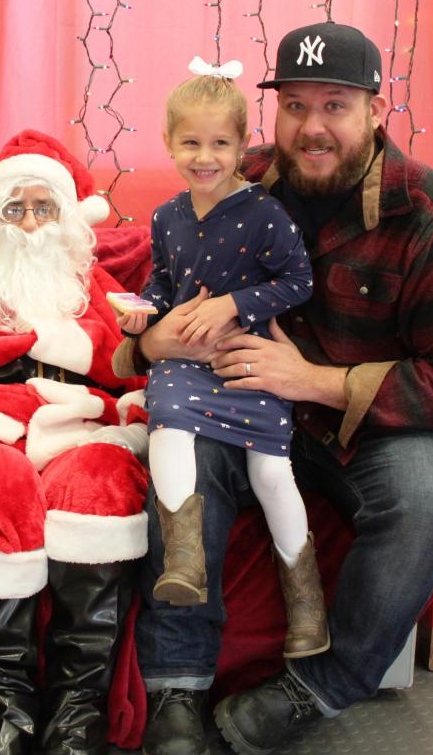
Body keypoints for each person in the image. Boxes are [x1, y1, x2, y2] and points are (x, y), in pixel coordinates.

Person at [113, 22, 433, 755]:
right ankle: (176, 686)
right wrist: (147, 341)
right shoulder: (236, 182)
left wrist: (318, 381)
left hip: (364, 427)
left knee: (425, 501)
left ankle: (318, 687)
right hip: (238, 408)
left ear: (376, 113)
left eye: (335, 105)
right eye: (295, 106)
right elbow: (156, 292)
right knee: (182, 467)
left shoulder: (430, 216)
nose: (312, 127)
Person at [0, 129, 151, 755]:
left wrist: (117, 412)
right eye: (13, 208)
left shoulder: (99, 290)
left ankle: (77, 708)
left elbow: (137, 378)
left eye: (43, 208)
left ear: (66, 217)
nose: (27, 223)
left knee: (99, 484)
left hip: (83, 421)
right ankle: (6, 707)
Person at [114, 61, 327, 660]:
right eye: (190, 143)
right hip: (184, 362)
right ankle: (185, 558)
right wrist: (142, 313)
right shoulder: (166, 217)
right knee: (168, 421)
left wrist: (235, 301)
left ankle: (306, 604)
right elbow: (163, 281)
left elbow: (298, 281)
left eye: (220, 143)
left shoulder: (263, 213)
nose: (204, 156)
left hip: (246, 360)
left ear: (241, 146)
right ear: (169, 144)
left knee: (271, 474)